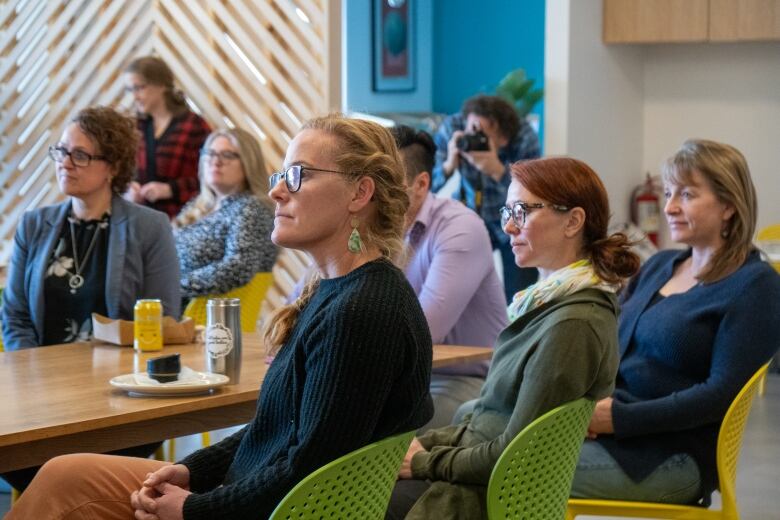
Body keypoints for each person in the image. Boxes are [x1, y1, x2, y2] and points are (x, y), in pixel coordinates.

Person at [8, 114, 434, 520]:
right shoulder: (339, 292)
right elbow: (272, 431)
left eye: (298, 175)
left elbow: (309, 470)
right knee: (63, 474)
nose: (277, 192)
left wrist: (194, 508)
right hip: (239, 493)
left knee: (64, 486)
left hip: (257, 508)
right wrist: (192, 471)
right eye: (280, 176)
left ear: (360, 194)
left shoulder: (363, 311)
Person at [386, 157, 640, 519]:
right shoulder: (549, 307)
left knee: (342, 503)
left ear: (573, 221)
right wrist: (424, 448)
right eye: (507, 211)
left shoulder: (572, 325)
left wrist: (426, 461)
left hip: (481, 498)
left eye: (521, 211)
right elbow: (491, 424)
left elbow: (515, 454)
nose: (507, 226)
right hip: (476, 482)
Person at [570, 139, 780, 506]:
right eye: (668, 193)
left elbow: (720, 395)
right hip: (609, 432)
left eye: (686, 194)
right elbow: (608, 342)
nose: (669, 207)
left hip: (671, 457)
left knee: (506, 471)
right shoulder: (658, 265)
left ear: (729, 205)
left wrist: (619, 419)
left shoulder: (756, 285)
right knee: (476, 435)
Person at [1, 105, 180, 489]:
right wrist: (32, 379)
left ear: (112, 166)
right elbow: (15, 315)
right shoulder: (34, 224)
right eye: (61, 151)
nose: (66, 163)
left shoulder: (150, 227)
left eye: (80, 155)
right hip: (40, 399)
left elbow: (163, 315)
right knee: (19, 459)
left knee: (76, 475)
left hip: (120, 400)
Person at [391, 125, 507, 430]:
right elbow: (300, 303)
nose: (373, 192)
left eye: (388, 181)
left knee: (374, 435)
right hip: (401, 380)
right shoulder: (366, 228)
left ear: (421, 183)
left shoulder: (460, 227)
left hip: (468, 381)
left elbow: (424, 334)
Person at [433, 94, 541, 302]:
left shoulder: (524, 136)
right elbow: (425, 183)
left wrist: (498, 171)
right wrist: (449, 165)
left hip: (513, 221)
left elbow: (532, 192)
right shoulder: (454, 128)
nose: (473, 137)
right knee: (456, 289)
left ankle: (517, 329)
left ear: (503, 139)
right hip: (471, 215)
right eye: (471, 129)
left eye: (482, 135)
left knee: (520, 293)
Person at [174, 128, 278, 298]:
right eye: (210, 153)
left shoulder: (252, 208)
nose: (216, 161)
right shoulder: (201, 205)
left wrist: (173, 286)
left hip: (207, 315)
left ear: (248, 163)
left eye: (228, 155)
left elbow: (238, 267)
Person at [124, 56, 211, 218]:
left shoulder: (194, 126)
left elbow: (211, 178)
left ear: (161, 85)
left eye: (139, 88)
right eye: (130, 90)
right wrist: (129, 189)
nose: (134, 96)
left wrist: (171, 190)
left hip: (183, 222)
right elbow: (122, 172)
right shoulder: (136, 126)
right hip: (138, 220)